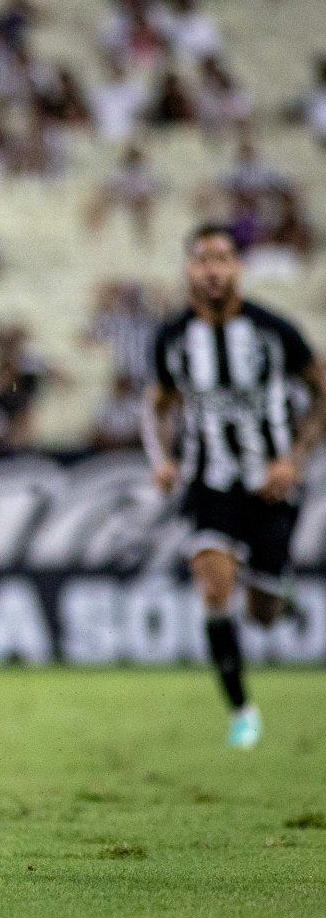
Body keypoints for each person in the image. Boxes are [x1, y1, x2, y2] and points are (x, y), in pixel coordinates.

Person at [143, 226, 325, 750]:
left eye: (222, 258)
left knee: (262, 614)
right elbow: (156, 406)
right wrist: (163, 460)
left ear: (239, 267)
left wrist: (293, 458)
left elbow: (321, 393)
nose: (212, 270)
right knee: (214, 585)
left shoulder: (274, 331)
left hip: (269, 484)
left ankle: (274, 592)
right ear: (188, 269)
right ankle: (242, 711)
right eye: (202, 259)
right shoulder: (173, 337)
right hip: (209, 484)